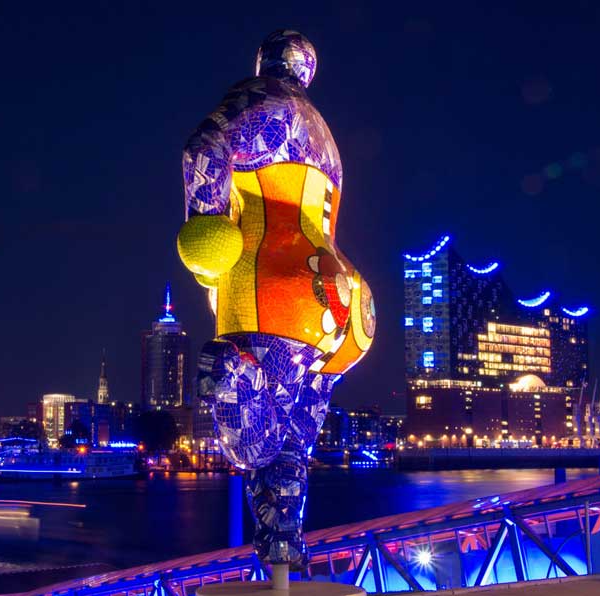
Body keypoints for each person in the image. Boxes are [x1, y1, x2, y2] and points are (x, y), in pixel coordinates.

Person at [178, 30, 375, 570]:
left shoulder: (263, 98)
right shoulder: (324, 130)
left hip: (278, 292)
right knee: (292, 448)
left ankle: (228, 370)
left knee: (251, 448)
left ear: (264, 62)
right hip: (344, 306)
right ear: (308, 70)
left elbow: (203, 148)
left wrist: (208, 233)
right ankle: (282, 544)